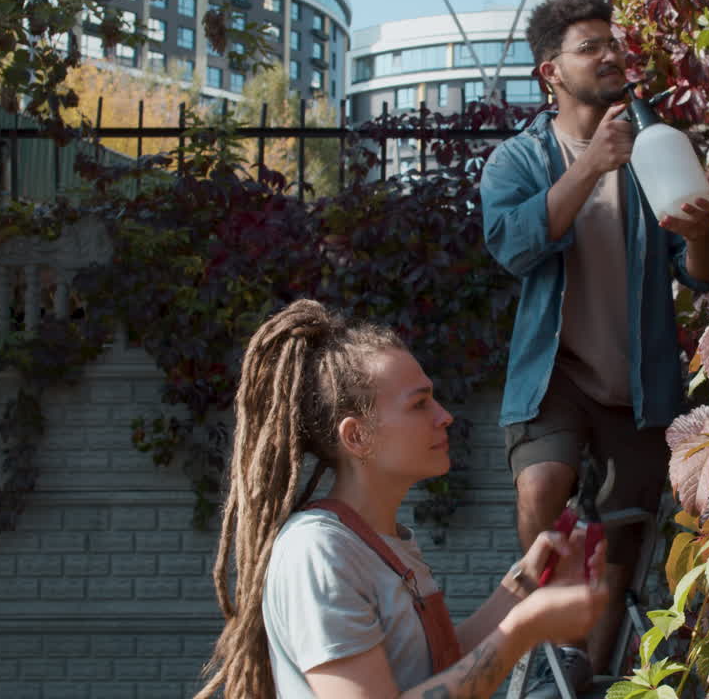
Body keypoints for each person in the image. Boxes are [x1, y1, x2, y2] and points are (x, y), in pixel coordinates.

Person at [480, 0, 709, 694]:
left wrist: (701, 234)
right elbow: (513, 246)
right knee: (542, 487)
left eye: (612, 43)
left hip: (640, 382)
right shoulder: (517, 160)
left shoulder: (661, 150)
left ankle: (584, 680)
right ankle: (541, 639)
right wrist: (592, 163)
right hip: (554, 373)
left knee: (626, 538)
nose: (610, 54)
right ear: (550, 73)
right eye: (589, 46)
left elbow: (707, 274)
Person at [193, 299, 610, 699]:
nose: (444, 415)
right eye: (419, 403)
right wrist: (524, 628)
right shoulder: (318, 552)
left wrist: (524, 586)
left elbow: (435, 671)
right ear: (357, 436)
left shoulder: (382, 543)